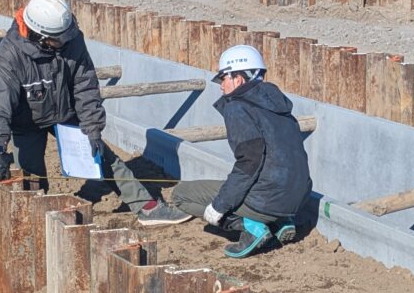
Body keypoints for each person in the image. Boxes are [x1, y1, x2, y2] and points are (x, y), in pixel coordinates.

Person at [119, 44, 312, 258]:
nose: (221, 85)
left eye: (223, 78)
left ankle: (252, 227)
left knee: (181, 195)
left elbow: (249, 163)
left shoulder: (238, 107)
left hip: (268, 199)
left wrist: (220, 206)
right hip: (298, 197)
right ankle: (279, 222)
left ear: (239, 78)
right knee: (252, 188)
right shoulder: (276, 103)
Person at [0, 0, 107, 188]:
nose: (65, 41)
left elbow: (85, 86)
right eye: (59, 39)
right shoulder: (9, 54)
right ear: (40, 37)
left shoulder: (71, 40)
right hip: (27, 122)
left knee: (101, 155)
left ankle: (143, 202)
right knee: (31, 180)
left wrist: (93, 129)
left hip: (65, 112)